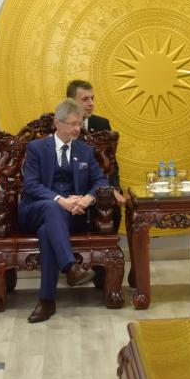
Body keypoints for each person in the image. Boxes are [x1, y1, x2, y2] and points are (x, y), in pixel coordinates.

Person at [20, 98, 109, 322]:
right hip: (36, 210)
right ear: (57, 123)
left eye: (79, 123)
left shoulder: (85, 151)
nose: (77, 129)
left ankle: (47, 301)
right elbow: (31, 185)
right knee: (52, 207)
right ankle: (70, 266)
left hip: (72, 216)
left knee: (46, 232)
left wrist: (87, 199)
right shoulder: (37, 148)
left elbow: (100, 181)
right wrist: (60, 199)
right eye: (72, 124)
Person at [65, 79, 125, 285]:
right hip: (69, 189)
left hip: (97, 187)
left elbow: (111, 163)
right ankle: (73, 266)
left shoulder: (101, 124)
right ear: (71, 102)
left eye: (92, 99)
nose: (91, 103)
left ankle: (102, 270)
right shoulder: (58, 124)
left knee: (113, 209)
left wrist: (113, 189)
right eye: (85, 99)